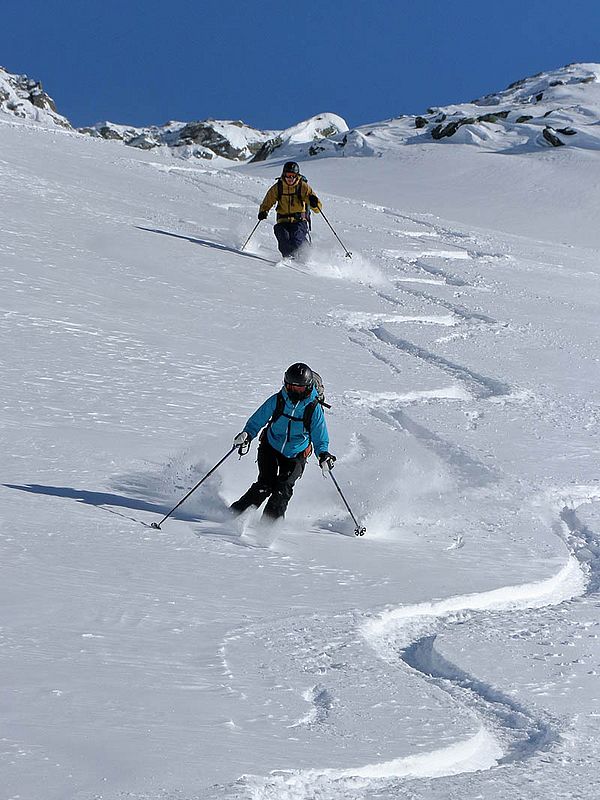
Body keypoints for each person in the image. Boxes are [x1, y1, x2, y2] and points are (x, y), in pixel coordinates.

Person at [230, 363, 336, 522]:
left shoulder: (313, 409)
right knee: (265, 485)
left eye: (299, 388)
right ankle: (232, 516)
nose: (294, 391)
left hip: (296, 453)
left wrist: (323, 455)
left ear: (307, 388)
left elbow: (320, 436)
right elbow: (258, 419)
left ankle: (267, 528)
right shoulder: (278, 400)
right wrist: (247, 435)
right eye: (290, 386)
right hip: (270, 446)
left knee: (283, 489)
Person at [258, 161, 322, 259]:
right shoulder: (278, 187)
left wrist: (314, 203)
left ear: (297, 175)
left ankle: (305, 256)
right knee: (283, 238)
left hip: (299, 221)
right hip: (282, 221)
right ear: (284, 174)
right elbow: (268, 201)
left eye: (293, 175)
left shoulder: (303, 187)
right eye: (288, 175)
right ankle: (289, 260)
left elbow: (318, 209)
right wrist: (263, 211)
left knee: (297, 239)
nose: (290, 178)